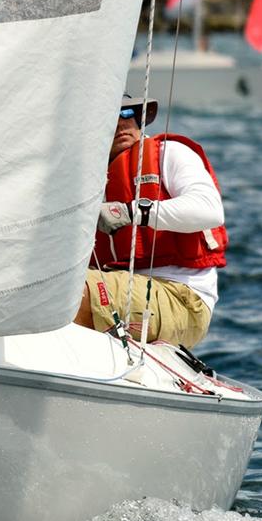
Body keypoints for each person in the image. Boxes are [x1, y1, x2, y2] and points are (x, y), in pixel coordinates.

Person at [74, 95, 228, 349]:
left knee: (65, 293)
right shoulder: (85, 178)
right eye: (112, 116)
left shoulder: (169, 153)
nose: (123, 122)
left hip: (181, 298)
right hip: (121, 288)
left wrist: (130, 212)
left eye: (129, 114)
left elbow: (209, 210)